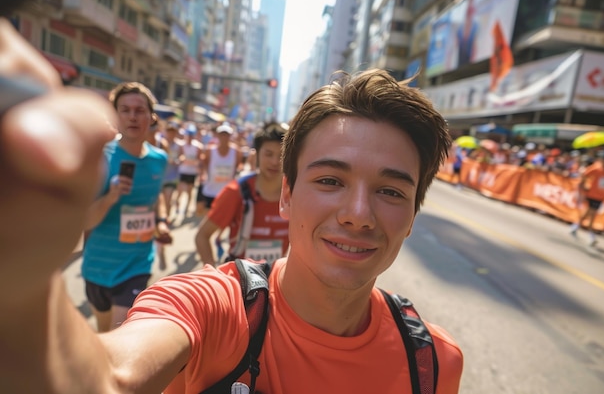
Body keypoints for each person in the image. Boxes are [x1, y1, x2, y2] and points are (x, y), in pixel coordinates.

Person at [1, 58, 463, 392]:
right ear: (287, 193)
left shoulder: (433, 362)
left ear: (412, 215)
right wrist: (18, 285)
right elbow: (109, 378)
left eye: (391, 191)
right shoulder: (209, 309)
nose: (357, 214)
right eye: (329, 180)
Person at [80, 81, 172, 332]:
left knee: (120, 335)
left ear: (151, 117)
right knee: (103, 334)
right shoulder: (101, 156)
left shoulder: (159, 159)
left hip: (137, 265)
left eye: (139, 110)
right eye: (125, 110)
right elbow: (85, 221)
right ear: (116, 115)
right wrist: (110, 197)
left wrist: (161, 221)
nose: (133, 116)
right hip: (98, 267)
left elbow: (156, 198)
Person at [195, 122, 289, 266]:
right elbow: (202, 236)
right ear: (256, 155)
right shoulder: (236, 191)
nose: (275, 161)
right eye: (268, 154)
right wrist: (213, 276)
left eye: (282, 155)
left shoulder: (295, 194)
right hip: (239, 282)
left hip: (277, 282)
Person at [570, 150, 604, 246]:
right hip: (592, 195)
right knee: (592, 214)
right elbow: (584, 174)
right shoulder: (595, 168)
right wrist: (583, 185)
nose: (602, 161)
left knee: (588, 213)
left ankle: (576, 226)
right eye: (602, 159)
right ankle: (591, 236)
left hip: (601, 197)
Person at [195, 121, 242, 217]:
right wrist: (202, 175)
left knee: (222, 217)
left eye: (226, 135)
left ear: (230, 136)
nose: (224, 137)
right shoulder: (210, 150)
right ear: (218, 136)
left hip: (226, 192)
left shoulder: (236, 151)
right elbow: (203, 164)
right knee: (207, 216)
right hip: (210, 189)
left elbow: (237, 167)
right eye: (222, 135)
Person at [174, 123, 203, 218]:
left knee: (190, 192)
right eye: (188, 135)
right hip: (183, 171)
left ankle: (186, 209)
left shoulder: (198, 146)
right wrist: (181, 159)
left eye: (191, 135)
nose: (189, 137)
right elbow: (179, 156)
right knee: (180, 191)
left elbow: (200, 159)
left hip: (192, 172)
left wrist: (197, 165)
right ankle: (177, 208)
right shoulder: (182, 145)